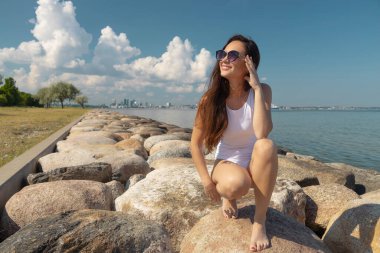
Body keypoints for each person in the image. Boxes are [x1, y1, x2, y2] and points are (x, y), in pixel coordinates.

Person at [190, 34, 278, 252]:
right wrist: (207, 182)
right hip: (227, 161)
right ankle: (228, 197)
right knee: (235, 186)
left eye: (232, 55)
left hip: (253, 161)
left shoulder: (263, 91)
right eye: (222, 54)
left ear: (248, 63)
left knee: (266, 145)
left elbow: (262, 131)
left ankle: (259, 222)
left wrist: (256, 89)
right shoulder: (209, 100)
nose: (223, 59)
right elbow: (195, 144)